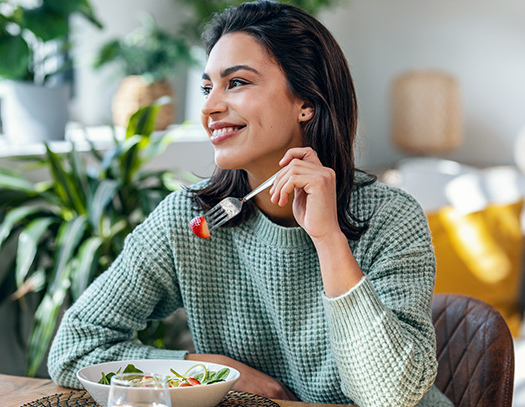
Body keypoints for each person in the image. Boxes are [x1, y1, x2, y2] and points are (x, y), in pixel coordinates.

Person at [48, 1, 453, 406]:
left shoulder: (390, 218)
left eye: (236, 83)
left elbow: (391, 397)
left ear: (306, 101)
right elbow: (74, 348)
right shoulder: (190, 220)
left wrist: (329, 239)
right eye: (208, 88)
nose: (209, 107)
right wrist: (218, 372)